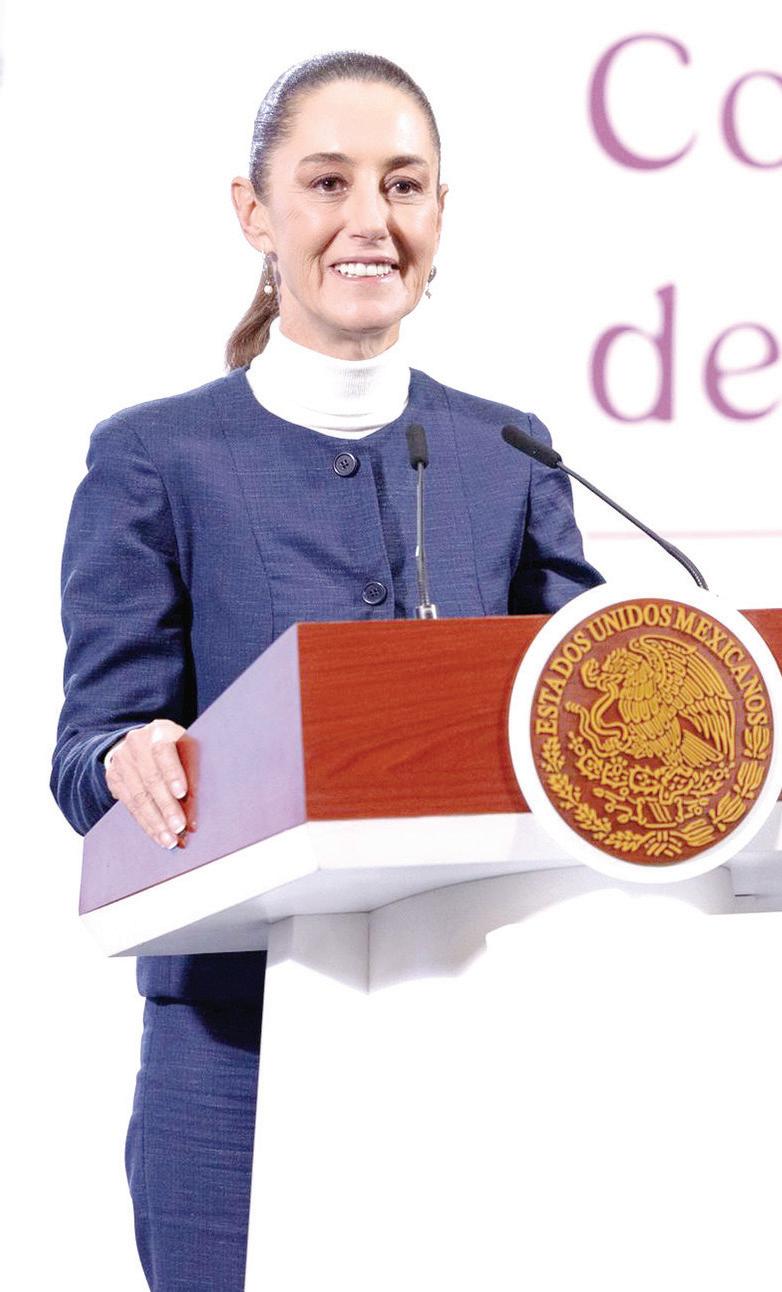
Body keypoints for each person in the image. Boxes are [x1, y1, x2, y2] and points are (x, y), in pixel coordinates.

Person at [50, 50, 604, 1291]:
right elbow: (85, 752)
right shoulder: (154, 457)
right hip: (228, 1043)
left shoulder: (508, 452)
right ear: (254, 213)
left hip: (471, 1016)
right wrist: (127, 756)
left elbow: (587, 706)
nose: (369, 219)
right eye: (326, 182)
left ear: (439, 212)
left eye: (401, 184)